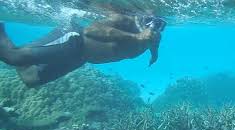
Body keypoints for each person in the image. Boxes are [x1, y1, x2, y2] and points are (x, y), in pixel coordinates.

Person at [0, 13, 166, 87]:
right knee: (14, 57)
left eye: (159, 24)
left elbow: (154, 44)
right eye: (149, 21)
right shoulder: (124, 20)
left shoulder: (154, 36)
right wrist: (137, 37)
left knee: (31, 79)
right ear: (142, 17)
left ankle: (30, 55)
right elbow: (91, 30)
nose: (153, 26)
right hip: (74, 39)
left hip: (81, 58)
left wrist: (155, 55)